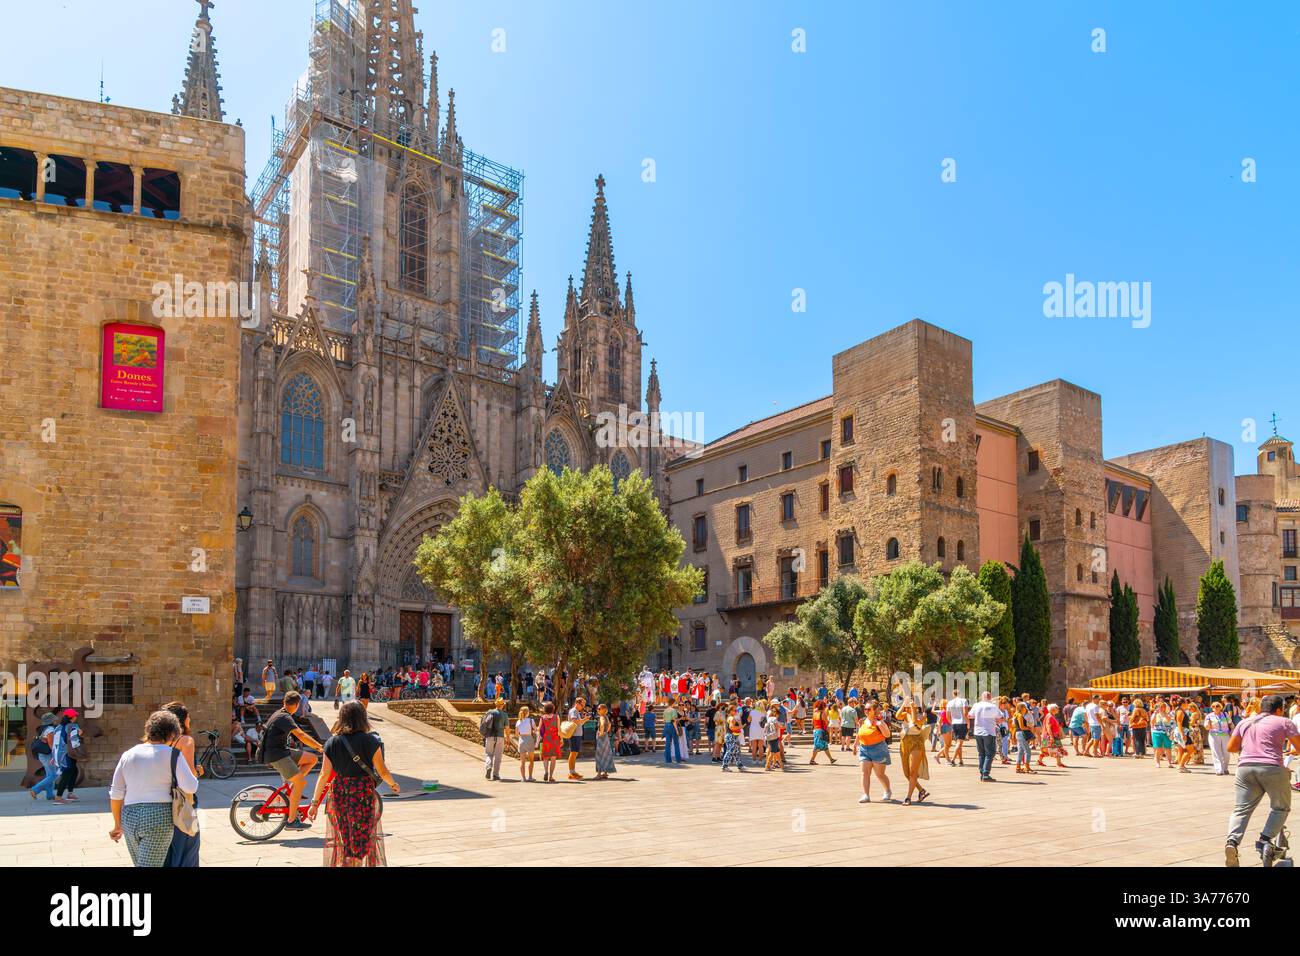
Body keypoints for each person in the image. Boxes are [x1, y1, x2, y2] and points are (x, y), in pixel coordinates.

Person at [308, 701, 399, 867]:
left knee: (345, 834)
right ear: (362, 718)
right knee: (362, 835)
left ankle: (348, 863)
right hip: (362, 791)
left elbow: (324, 774)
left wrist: (314, 803)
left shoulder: (331, 743)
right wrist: (393, 784)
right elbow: (382, 770)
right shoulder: (370, 740)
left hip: (339, 791)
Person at [108, 710, 198, 867]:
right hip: (158, 815)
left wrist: (117, 824)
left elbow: (116, 793)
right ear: (172, 734)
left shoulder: (128, 754)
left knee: (142, 864)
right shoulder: (173, 755)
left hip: (129, 815)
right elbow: (191, 786)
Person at [1225, 694, 1300, 867]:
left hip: (1245, 768)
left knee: (1241, 809)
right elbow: (1298, 746)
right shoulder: (1284, 722)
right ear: (1280, 709)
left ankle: (1232, 842)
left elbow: (1231, 747)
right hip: (1272, 767)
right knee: (1280, 807)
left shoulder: (1245, 722)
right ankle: (1264, 841)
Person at [263, 691, 324, 829]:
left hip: (280, 751)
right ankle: (291, 821)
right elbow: (300, 734)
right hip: (277, 755)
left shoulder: (281, 713)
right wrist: (319, 746)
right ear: (297, 705)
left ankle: (291, 788)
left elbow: (297, 733)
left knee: (312, 759)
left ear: (284, 701)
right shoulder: (284, 717)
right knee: (301, 783)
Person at [162, 701, 202, 867]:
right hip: (182, 800)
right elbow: (189, 775)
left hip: (162, 799)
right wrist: (198, 771)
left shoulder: (159, 742)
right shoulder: (186, 740)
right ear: (183, 720)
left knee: (169, 848)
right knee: (188, 844)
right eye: (188, 717)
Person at [856, 700, 892, 803]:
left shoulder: (879, 721)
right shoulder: (863, 720)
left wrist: (880, 724)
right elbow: (860, 732)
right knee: (864, 773)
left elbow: (887, 735)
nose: (866, 711)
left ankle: (887, 791)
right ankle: (866, 795)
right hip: (864, 749)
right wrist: (855, 744)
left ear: (875, 710)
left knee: (879, 774)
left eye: (868, 709)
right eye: (865, 709)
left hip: (878, 749)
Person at [895, 697, 930, 804]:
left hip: (916, 744)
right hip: (904, 744)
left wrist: (912, 709)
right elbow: (897, 716)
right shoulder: (905, 714)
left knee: (913, 771)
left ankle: (908, 797)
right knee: (907, 773)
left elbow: (915, 722)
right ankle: (921, 790)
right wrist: (904, 704)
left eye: (914, 704)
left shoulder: (922, 716)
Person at [968, 690, 1002, 782]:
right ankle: (986, 774)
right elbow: (1000, 718)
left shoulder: (976, 705)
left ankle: (982, 773)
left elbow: (970, 715)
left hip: (978, 731)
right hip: (989, 732)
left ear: (982, 697)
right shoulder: (992, 706)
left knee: (981, 753)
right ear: (990, 697)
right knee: (990, 753)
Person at [52, 709, 84, 804]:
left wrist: (54, 756)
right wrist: (80, 735)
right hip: (68, 754)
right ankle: (58, 797)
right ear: (72, 717)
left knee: (74, 770)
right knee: (67, 773)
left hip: (59, 754)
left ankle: (70, 793)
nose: (76, 717)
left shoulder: (58, 727)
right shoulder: (72, 726)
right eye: (75, 716)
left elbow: (55, 743)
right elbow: (74, 742)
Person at [26, 713, 59, 802]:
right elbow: (51, 743)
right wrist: (55, 756)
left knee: (49, 775)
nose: (56, 720)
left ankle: (50, 795)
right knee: (54, 775)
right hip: (48, 754)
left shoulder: (43, 729)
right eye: (54, 719)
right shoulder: (50, 729)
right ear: (51, 721)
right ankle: (35, 789)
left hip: (43, 754)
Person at [482, 698, 508, 781]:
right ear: (502, 705)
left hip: (490, 736)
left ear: (495, 704)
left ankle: (488, 767)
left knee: (489, 754)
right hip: (500, 737)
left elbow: (484, 722)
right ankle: (496, 775)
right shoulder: (504, 715)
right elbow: (507, 728)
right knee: (498, 756)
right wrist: (508, 738)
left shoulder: (490, 712)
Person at [1205, 700, 1233, 775]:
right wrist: (1208, 725)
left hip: (1225, 735)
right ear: (1212, 708)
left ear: (1220, 707)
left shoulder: (1225, 714)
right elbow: (1207, 728)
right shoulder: (1209, 716)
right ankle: (1219, 770)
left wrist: (1232, 731)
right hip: (1214, 736)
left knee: (1226, 753)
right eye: (1213, 706)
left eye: (1217, 706)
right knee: (1216, 753)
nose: (1215, 708)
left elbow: (1230, 724)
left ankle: (1225, 768)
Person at [512, 705, 538, 781]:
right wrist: (532, 731)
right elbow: (535, 730)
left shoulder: (518, 721)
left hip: (521, 740)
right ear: (527, 713)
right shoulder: (531, 720)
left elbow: (516, 734)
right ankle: (530, 777)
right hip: (529, 739)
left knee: (522, 762)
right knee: (531, 761)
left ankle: (523, 778)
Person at [565, 697, 587, 780]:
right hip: (574, 735)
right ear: (577, 703)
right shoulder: (573, 711)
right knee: (573, 753)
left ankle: (573, 771)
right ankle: (571, 772)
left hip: (577, 735)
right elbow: (574, 721)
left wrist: (584, 720)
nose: (583, 707)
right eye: (582, 705)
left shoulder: (576, 711)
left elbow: (579, 723)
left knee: (574, 753)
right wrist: (583, 720)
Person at [809, 699, 836, 765]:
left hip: (816, 730)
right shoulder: (823, 713)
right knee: (818, 746)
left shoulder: (815, 713)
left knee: (825, 746)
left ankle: (831, 759)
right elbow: (827, 722)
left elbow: (812, 722)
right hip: (821, 730)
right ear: (823, 706)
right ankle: (812, 760)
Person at [594, 703, 617, 779]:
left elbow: (603, 724)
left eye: (599, 709)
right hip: (606, 737)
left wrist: (601, 732)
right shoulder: (606, 717)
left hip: (602, 737)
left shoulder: (601, 717)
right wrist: (606, 731)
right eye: (598, 709)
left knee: (599, 755)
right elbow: (609, 725)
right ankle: (605, 772)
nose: (598, 710)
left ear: (604, 710)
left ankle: (599, 774)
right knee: (606, 754)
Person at [1012, 701, 1036, 773]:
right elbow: (1022, 727)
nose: (1026, 708)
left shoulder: (1016, 715)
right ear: (1021, 708)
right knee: (1027, 751)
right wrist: (1029, 728)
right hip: (1021, 733)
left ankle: (1018, 767)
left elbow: (1016, 726)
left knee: (1021, 750)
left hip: (1018, 733)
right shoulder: (1020, 716)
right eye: (1025, 707)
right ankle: (1027, 767)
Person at [948, 691, 969, 766]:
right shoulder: (964, 701)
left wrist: (951, 722)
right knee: (959, 742)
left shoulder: (950, 702)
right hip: (962, 723)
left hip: (954, 723)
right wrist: (968, 723)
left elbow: (948, 715)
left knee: (958, 742)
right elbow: (965, 713)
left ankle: (960, 760)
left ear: (953, 694)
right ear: (961, 694)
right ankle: (953, 760)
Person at [721, 705, 744, 771]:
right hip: (732, 736)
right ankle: (725, 766)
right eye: (735, 710)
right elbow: (732, 727)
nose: (736, 712)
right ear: (731, 711)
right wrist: (740, 727)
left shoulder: (729, 717)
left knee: (737, 751)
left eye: (736, 710)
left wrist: (739, 724)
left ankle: (740, 766)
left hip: (730, 736)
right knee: (730, 751)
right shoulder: (731, 718)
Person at [662, 698, 682, 764]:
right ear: (673, 703)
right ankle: (678, 759)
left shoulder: (665, 710)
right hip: (672, 726)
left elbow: (664, 720)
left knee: (667, 744)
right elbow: (674, 721)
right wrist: (676, 730)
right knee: (676, 743)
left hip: (666, 725)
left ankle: (668, 760)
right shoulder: (673, 710)